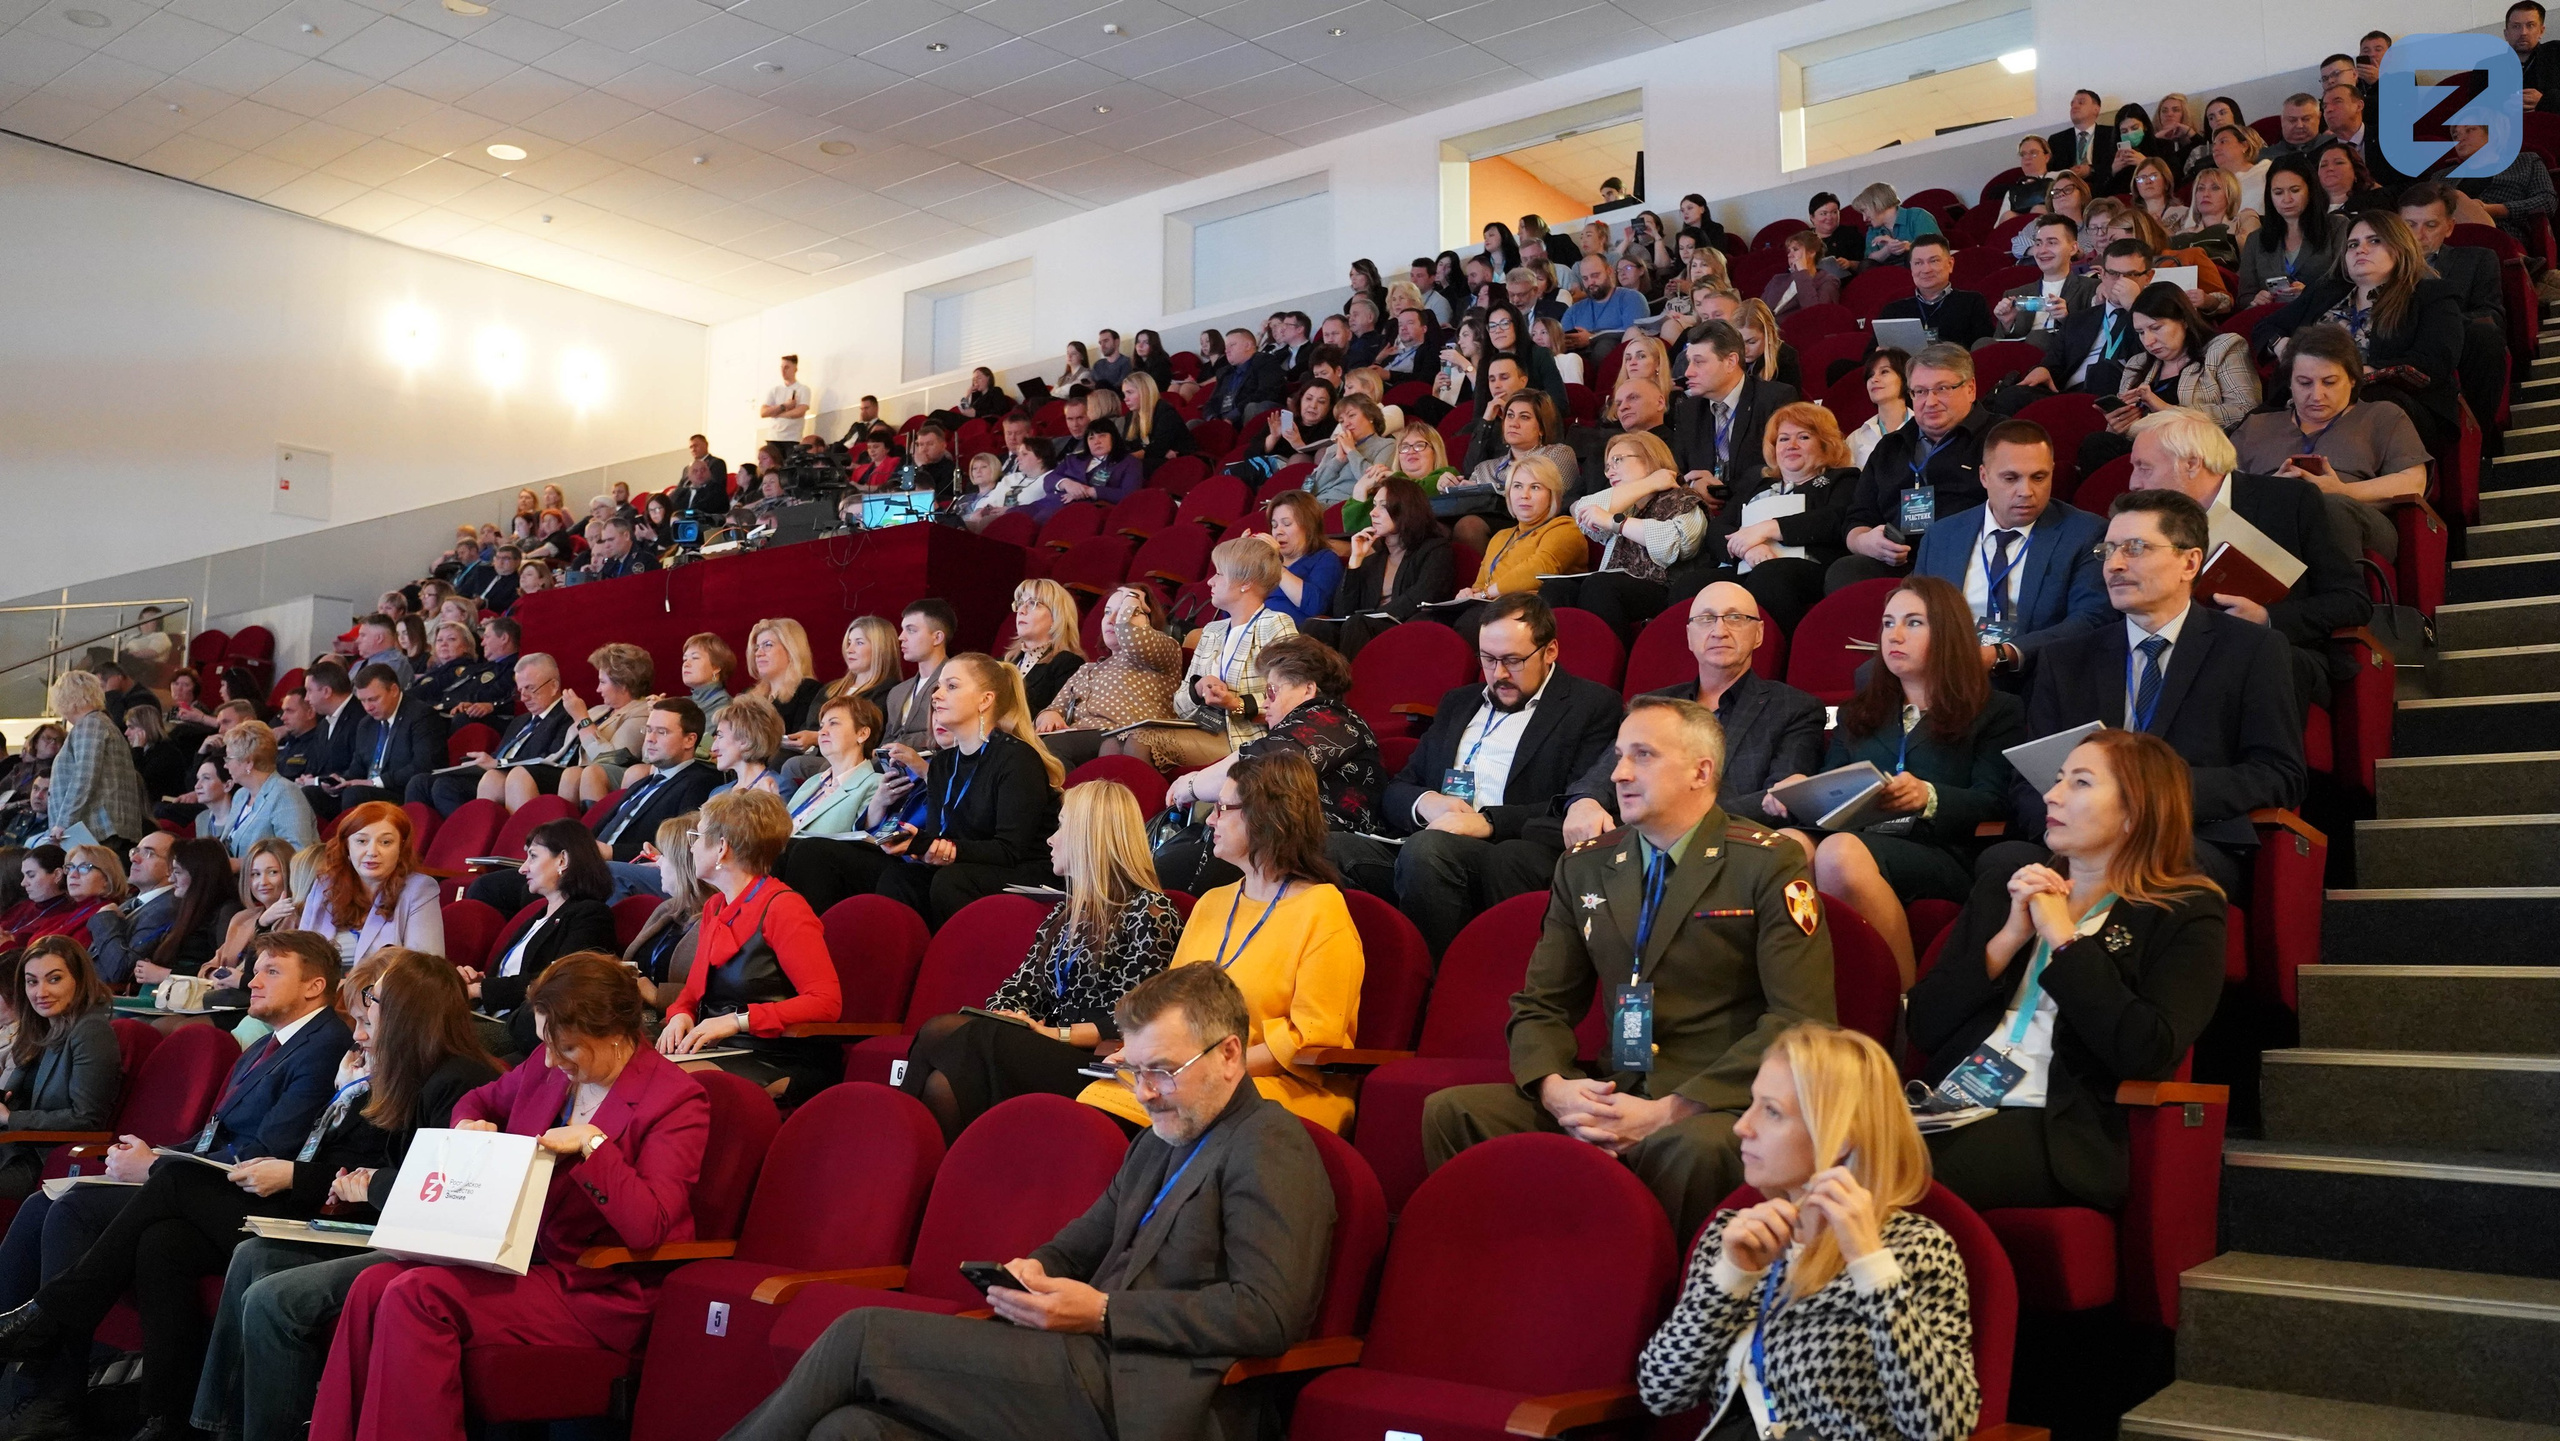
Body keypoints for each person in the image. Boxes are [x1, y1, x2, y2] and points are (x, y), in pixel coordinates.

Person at [727, 961, 1332, 1441]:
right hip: (1076, 1367)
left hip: (1147, 1396)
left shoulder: (1269, 1145)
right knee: (850, 1430)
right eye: (1136, 1071)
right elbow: (1084, 1239)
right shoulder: (1160, 1138)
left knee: (860, 1336)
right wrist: (1034, 1269)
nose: (1146, 1094)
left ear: (1229, 1055)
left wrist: (1101, 1313)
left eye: (1163, 1071)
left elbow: (1269, 1313)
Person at [1423, 693, 1838, 1241]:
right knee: (1453, 1113)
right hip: (1613, 1089)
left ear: (1700, 771)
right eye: (1619, 755)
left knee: (1691, 1149)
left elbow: (1801, 1021)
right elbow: (1541, 1003)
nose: (1618, 773)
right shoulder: (1586, 865)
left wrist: (1673, 1109)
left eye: (1642, 755)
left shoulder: (1766, 861)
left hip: (1709, 1101)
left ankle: (1659, 1304)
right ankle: (1511, 1277)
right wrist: (1556, 1089)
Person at [307, 953, 706, 1441]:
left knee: (417, 1295)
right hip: (520, 1258)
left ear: (618, 1032)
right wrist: (468, 1126)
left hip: (596, 1285)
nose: (554, 1061)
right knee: (372, 1285)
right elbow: (477, 1100)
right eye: (545, 1045)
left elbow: (651, 1226)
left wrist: (592, 1145)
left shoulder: (675, 1100)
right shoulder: (547, 1064)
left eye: (569, 1049)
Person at [0, 930, 352, 1365]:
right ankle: (148, 1412)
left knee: (76, 1209)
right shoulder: (267, 1044)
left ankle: (44, 1343)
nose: (254, 981)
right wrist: (156, 1153)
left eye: (271, 972)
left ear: (314, 986)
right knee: (75, 1214)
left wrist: (156, 1167)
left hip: (262, 1198)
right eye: (256, 970)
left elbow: (268, 1149)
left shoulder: (325, 1047)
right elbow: (213, 1134)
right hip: (210, 1184)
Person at [1911, 729, 2226, 1215]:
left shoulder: (2183, 911)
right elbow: (1925, 1027)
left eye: (2080, 783)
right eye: (2057, 780)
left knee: (1895, 1177)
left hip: (2057, 1125)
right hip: (1948, 1105)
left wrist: (2065, 939)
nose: (2052, 795)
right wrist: (2009, 938)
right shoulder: (2010, 887)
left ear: (2136, 812)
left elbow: (2146, 1050)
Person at [1636, 1023, 1981, 1441]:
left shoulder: (1914, 1248)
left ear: (1840, 1137)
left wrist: (1871, 1267)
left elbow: (1943, 1428)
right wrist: (1731, 1276)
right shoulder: (1734, 1234)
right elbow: (1660, 1392)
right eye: (1751, 1105)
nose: (1742, 1127)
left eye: (1772, 1111)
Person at [2010, 489, 2306, 895]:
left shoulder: (2251, 649)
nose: (2113, 565)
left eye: (2134, 548)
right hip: (2078, 841)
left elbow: (2278, 774)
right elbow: (2029, 781)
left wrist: (2147, 799)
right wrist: (2072, 827)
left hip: (2187, 837)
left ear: (2189, 562)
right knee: (2000, 864)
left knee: (2144, 867)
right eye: (2108, 550)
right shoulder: (2066, 660)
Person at [1079, 749, 1363, 1136]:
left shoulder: (1322, 909)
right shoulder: (1213, 902)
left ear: (1265, 817)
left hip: (1273, 1087)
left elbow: (1311, 1038)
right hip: (1185, 1074)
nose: (1210, 819)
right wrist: (1135, 1054)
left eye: (1222, 808)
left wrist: (1205, 1069)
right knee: (1093, 1102)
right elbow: (1168, 1003)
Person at [1764, 577, 2024, 985]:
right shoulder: (1858, 711)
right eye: (1887, 623)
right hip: (1860, 834)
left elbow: (1995, 804)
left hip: (1939, 848)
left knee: (1840, 853)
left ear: (1948, 632)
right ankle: (1799, 990)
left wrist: (1928, 796)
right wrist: (1797, 791)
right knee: (1789, 846)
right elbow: (1833, 792)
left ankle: (1902, 1002)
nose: (1895, 635)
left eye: (1913, 623)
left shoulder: (1996, 710)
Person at [1334, 594, 1624, 954]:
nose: (1499, 674)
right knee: (1329, 849)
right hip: (1431, 836)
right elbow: (1398, 788)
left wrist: (1488, 822)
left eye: (1513, 660)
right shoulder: (1459, 702)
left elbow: (1573, 804)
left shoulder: (1591, 706)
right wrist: (1428, 803)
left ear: (1550, 651)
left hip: (1503, 849)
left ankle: (1438, 982)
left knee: (1428, 852)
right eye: (1488, 659)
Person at [900, 780, 1180, 1141]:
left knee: (943, 1032)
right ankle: (921, 1162)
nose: (1050, 839)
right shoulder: (1065, 913)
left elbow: (1132, 1018)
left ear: (1088, 836)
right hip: (1050, 1046)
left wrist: (1049, 1032)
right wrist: (1008, 1013)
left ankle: (899, 1151)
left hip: (1102, 1065)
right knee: (943, 1074)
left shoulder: (1151, 912)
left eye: (1061, 826)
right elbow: (1022, 986)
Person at [784, 654, 1065, 924]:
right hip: (961, 863)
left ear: (985, 700)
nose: (936, 694)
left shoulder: (1016, 759)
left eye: (951, 686)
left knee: (949, 881)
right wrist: (912, 841)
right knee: (827, 856)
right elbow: (937, 835)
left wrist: (944, 849)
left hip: (1020, 869)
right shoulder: (944, 763)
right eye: (939, 685)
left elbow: (1010, 849)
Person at [2129, 405, 2372, 712]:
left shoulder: (2288, 502)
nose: (2133, 483)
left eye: (2144, 468)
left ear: (2191, 463)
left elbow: (2351, 602)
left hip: (2280, 651)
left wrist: (2266, 617)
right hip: (2183, 653)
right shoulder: (2144, 524)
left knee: (2252, 657)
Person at [1564, 583, 1827, 848]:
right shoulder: (1654, 705)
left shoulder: (1794, 708)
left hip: (1728, 845)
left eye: (1735, 618)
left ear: (1758, 634)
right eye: (1706, 619)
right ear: (1690, 636)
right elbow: (1604, 773)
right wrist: (1585, 801)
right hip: (1631, 842)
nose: (1719, 631)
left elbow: (1779, 800)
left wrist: (1675, 821)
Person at [655, 790, 843, 1099]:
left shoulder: (785, 908)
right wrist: (681, 1015)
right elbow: (692, 993)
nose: (691, 846)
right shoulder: (716, 906)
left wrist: (736, 1021)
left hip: (777, 1056)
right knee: (613, 1059)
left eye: (698, 836)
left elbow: (826, 1003)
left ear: (722, 849)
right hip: (720, 1049)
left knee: (659, 1084)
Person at [1157, 637, 1383, 893]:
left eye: (1272, 692)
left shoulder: (1333, 720)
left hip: (1317, 853)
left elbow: (1253, 767)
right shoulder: (1309, 724)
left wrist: (1190, 784)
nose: (1265, 703)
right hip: (1280, 844)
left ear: (1308, 690)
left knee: (1166, 874)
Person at [2253, 210, 2468, 454]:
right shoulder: (2325, 292)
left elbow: (2436, 360)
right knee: (2244, 431)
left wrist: (2356, 375)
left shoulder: (2431, 295)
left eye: (2374, 241)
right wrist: (2284, 346)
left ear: (2400, 247)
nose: (2360, 250)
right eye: (2352, 244)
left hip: (2388, 401)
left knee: (2371, 406)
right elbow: (2265, 327)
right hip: (2311, 400)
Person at [2232, 324, 2430, 563]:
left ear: (2353, 381)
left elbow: (2413, 481)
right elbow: (2221, 490)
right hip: (2273, 522)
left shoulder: (2382, 416)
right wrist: (2271, 491)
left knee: (2328, 506)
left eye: (2329, 382)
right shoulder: (2256, 426)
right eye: (2304, 383)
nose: (2316, 395)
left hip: (2355, 518)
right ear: (2290, 384)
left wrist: (2343, 491)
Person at [1831, 344, 1991, 592]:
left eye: (1942, 389)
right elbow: (1857, 519)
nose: (1930, 401)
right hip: (1900, 560)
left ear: (1970, 389)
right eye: (1920, 391)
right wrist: (1866, 542)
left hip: (1967, 558)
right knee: (1845, 571)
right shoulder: (1890, 446)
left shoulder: (1999, 439)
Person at [470, 817, 619, 1056]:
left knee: (429, 1039)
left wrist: (482, 989)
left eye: (533, 856)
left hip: (524, 1030)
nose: (522, 868)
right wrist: (477, 981)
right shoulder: (537, 916)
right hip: (492, 1018)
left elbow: (560, 983)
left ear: (563, 860)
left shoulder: (590, 915)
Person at [2081, 280, 2262, 469]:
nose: (2148, 341)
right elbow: (2127, 432)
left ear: (2183, 320)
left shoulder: (2223, 348)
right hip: (2143, 451)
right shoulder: (2137, 364)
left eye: (2156, 328)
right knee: (2097, 443)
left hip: (2195, 452)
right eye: (2141, 332)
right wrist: (2117, 426)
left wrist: (2167, 410)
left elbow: (2245, 411)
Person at [1550, 430, 1708, 643]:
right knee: (1555, 590)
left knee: (1600, 585)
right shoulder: (1627, 505)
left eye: (1618, 460)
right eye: (1607, 466)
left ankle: (1608, 662)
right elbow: (1584, 511)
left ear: (1650, 458)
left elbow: (1672, 544)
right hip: (1617, 586)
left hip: (1665, 591)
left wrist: (1616, 523)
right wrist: (1649, 483)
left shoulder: (1685, 499)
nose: (1609, 472)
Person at [1158, 538, 1303, 768]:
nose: (1210, 582)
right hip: (1203, 730)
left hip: (1250, 740)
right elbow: (1179, 705)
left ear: (1245, 582)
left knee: (1142, 740)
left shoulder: (1276, 624)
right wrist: (1199, 688)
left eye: (1219, 574)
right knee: (1122, 737)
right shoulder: (1210, 631)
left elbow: (1292, 698)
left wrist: (1234, 703)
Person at [0, 938, 119, 1201]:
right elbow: (13, 1097)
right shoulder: (40, 1028)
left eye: (54, 979)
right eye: (32, 981)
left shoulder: (91, 1031)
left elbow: (87, 1119)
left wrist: (11, 1119)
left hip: (41, 1159)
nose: (40, 992)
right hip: (12, 1149)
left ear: (79, 980)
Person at [1037, 586, 1185, 771]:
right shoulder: (1087, 669)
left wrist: (1132, 598)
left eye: (1123, 611)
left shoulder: (1164, 652)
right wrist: (1048, 716)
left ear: (1148, 619)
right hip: (1078, 737)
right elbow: (1054, 708)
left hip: (1124, 736)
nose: (1112, 620)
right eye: (1107, 612)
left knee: (1054, 748)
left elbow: (1135, 636)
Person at [410, 654, 576, 815]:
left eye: (530, 689)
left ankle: (473, 837)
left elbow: (552, 760)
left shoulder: (567, 716)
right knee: (419, 783)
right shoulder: (520, 721)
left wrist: (498, 763)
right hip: (494, 774)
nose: (524, 698)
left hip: (519, 781)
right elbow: (500, 755)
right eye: (520, 691)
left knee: (445, 787)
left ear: (554, 686)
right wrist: (477, 764)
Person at [1446, 452, 1587, 630]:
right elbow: (1481, 585)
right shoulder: (1500, 537)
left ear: (1552, 495)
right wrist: (1469, 594)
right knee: (1430, 621)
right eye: (1517, 486)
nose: (1524, 495)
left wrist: (1485, 594)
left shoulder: (1565, 528)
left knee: (1469, 623)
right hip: (1491, 611)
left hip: (1530, 617)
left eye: (1535, 487)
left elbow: (1538, 569)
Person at [1673, 320, 1798, 512]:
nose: (1688, 372)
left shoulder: (1775, 399)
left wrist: (1724, 490)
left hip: (1757, 509)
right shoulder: (1688, 409)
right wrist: (1692, 486)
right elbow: (1678, 470)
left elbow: (1779, 466)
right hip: (1701, 514)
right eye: (1689, 361)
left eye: (1699, 362)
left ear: (1730, 361)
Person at [298, 801, 443, 964]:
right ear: (347, 846)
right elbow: (300, 955)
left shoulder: (420, 889)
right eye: (362, 841)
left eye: (385, 842)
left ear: (401, 848)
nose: (372, 852)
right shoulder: (324, 885)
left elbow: (426, 968)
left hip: (381, 989)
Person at [1331, 475, 1459, 659]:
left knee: (1357, 623)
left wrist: (1371, 617)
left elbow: (1423, 596)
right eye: (1374, 504)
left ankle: (1351, 687)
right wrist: (1355, 560)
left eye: (1383, 505)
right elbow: (1342, 612)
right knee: (1317, 626)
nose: (1373, 513)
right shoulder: (1374, 559)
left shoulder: (1435, 549)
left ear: (1406, 509)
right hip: (1364, 628)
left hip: (1409, 630)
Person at [41, 670, 149, 852]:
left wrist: (63, 822)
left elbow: (84, 776)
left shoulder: (91, 724)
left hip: (96, 829)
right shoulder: (100, 723)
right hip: (100, 828)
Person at [2237, 156, 2343, 309]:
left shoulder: (2337, 227)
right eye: (2278, 192)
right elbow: (2244, 296)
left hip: (2320, 318)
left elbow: (2345, 283)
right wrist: (2256, 299)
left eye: (2295, 190)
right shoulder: (2255, 239)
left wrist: (2309, 293)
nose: (2286, 199)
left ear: (2311, 190)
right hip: (2270, 319)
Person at [778, 695, 885, 838]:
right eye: (822, 726)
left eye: (833, 723)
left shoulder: (875, 784)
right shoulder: (812, 782)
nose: (822, 732)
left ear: (862, 733)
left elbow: (859, 842)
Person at [1874, 236, 1995, 349]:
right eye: (1918, 263)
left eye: (1934, 261)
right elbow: (1871, 357)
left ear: (1950, 264)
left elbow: (1984, 352)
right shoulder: (1893, 311)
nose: (1926, 270)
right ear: (1911, 268)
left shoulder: (1972, 303)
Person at [209, 837, 299, 987]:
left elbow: (283, 978)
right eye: (255, 874)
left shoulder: (299, 918)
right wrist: (217, 976)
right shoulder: (242, 918)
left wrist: (242, 982)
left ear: (289, 874)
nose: (263, 882)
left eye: (273, 872)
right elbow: (209, 967)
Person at [878, 599, 957, 765]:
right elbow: (886, 741)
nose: (901, 637)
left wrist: (901, 746)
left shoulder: (955, 684)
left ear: (937, 637)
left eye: (911, 630)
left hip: (936, 769)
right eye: (902, 630)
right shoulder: (897, 692)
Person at [1258, 490, 1347, 624]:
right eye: (1274, 525)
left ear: (1309, 527)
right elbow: (1233, 607)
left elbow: (1315, 607)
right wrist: (1240, 565)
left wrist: (1277, 566)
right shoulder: (1263, 561)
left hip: (1291, 637)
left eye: (1287, 524)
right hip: (1251, 631)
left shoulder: (1325, 559)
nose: (1278, 532)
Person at [1002, 579, 1087, 715]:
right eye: (1020, 604)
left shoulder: (1067, 664)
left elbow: (1056, 719)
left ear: (1056, 617)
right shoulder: (1004, 662)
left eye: (1032, 603)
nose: (1021, 611)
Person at [743, 617, 826, 736]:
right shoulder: (748, 696)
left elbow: (799, 741)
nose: (758, 653)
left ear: (791, 650)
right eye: (757, 647)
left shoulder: (809, 691)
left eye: (767, 645)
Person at [708, 692, 787, 799]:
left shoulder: (778, 786)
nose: (713, 748)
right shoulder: (717, 793)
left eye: (720, 736)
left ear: (745, 739)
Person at [1853, 183, 1940, 266]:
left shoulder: (1917, 215)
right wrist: (1887, 250)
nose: (1864, 219)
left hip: (1919, 271)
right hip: (1888, 274)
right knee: (1865, 265)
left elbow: (1937, 246)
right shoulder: (1873, 230)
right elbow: (1869, 259)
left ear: (1877, 204)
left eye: (1864, 210)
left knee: (1912, 256)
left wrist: (1908, 246)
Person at [1762, 229, 1841, 315]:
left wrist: (1802, 272)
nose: (1789, 255)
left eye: (1795, 249)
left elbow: (1815, 314)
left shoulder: (1828, 281)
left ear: (1811, 252)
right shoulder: (1778, 279)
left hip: (1791, 327)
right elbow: (1758, 309)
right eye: (1789, 251)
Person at [2052, 88, 2115, 178]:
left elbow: (2115, 165)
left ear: (2096, 109)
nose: (2074, 106)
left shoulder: (2111, 134)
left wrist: (2091, 170)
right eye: (2072, 104)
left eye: (2081, 103)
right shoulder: (2057, 140)